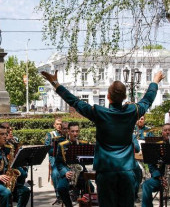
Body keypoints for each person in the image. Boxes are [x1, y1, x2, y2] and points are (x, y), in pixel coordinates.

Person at [41, 69, 164, 207]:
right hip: (127, 172)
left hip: (106, 173)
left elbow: (75, 102)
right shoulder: (132, 111)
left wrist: (56, 83)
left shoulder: (99, 113)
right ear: (124, 97)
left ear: (108, 96)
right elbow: (148, 99)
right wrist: (154, 81)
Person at [0, 125, 30, 207]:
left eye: (6, 134)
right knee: (6, 193)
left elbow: (12, 164)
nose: (5, 136)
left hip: (8, 182)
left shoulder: (9, 148)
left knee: (25, 191)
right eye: (1, 134)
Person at [55, 122, 91, 207]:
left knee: (91, 188)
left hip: (81, 174)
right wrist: (65, 172)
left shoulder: (84, 144)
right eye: (73, 131)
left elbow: (89, 160)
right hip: (69, 173)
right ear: (68, 132)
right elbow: (58, 162)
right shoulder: (62, 145)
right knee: (61, 188)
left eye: (77, 131)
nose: (75, 134)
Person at [141, 123, 170, 207]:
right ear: (162, 132)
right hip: (161, 177)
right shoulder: (156, 145)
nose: (168, 132)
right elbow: (151, 164)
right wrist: (159, 176)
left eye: (169, 130)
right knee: (146, 185)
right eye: (165, 130)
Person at [44, 118, 62, 204]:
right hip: (54, 157)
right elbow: (47, 149)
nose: (59, 126)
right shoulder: (50, 134)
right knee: (55, 173)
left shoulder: (65, 134)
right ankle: (58, 195)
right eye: (57, 124)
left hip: (65, 158)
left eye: (61, 124)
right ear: (54, 125)